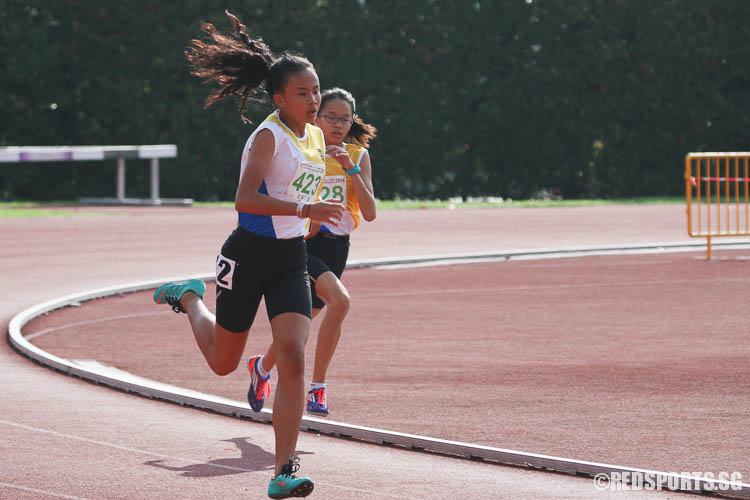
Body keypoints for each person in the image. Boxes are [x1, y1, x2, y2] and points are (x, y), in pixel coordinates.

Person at [152, 11, 343, 499]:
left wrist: (311, 218)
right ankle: (192, 299)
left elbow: (300, 186)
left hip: (291, 259)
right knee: (222, 362)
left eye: (316, 90)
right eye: (303, 93)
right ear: (279, 98)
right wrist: (305, 205)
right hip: (247, 255)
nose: (313, 99)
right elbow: (245, 198)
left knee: (294, 356)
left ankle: (283, 471)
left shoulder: (317, 135)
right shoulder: (267, 135)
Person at [246, 88, 377, 417]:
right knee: (341, 301)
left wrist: (351, 169)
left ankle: (261, 368)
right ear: (317, 117)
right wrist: (309, 218)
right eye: (330, 117)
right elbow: (295, 199)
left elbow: (370, 212)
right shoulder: (309, 150)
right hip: (306, 245)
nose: (337, 125)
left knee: (303, 324)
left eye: (344, 119)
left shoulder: (358, 156)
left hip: (338, 250)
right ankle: (317, 389)